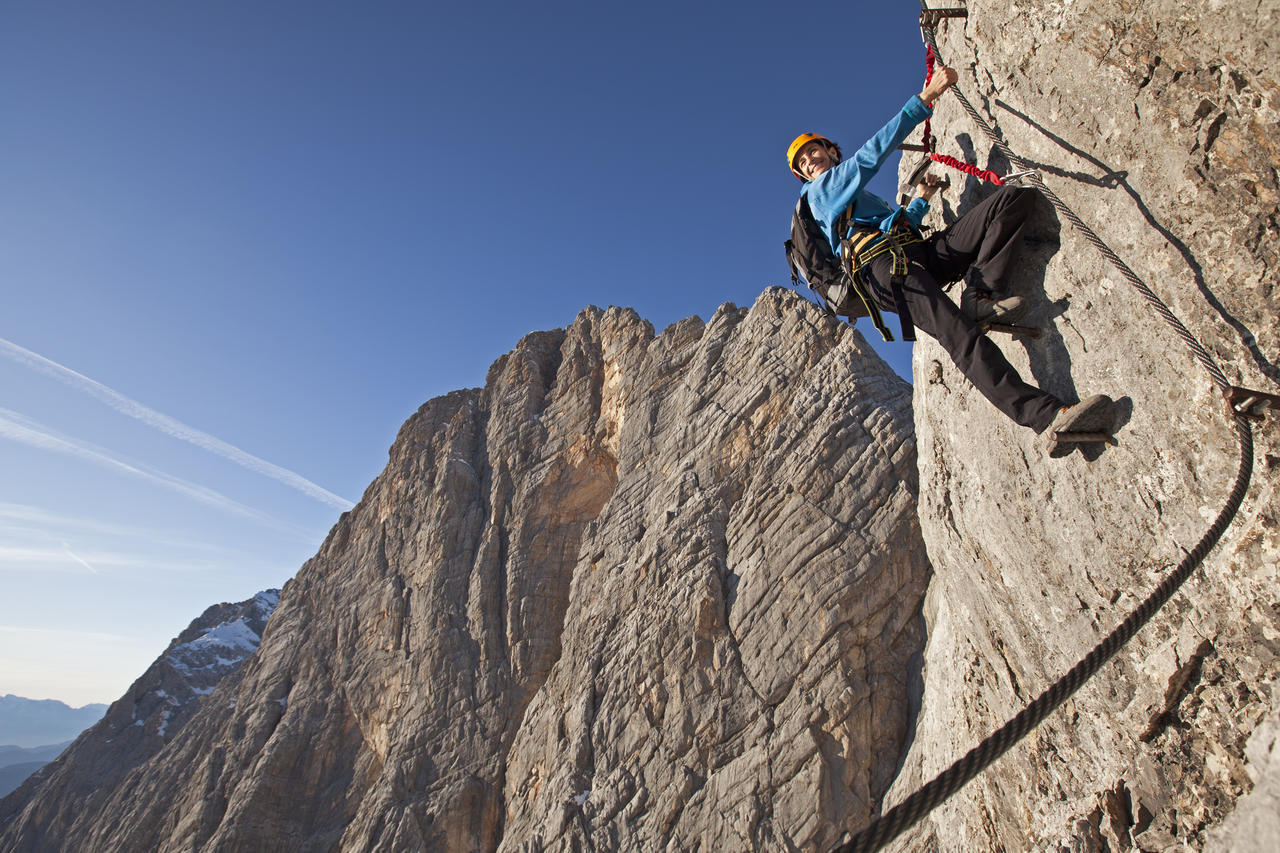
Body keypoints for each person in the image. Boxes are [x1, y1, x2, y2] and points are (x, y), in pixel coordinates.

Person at [786, 65, 1115, 448]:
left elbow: (893, 227)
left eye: (814, 151)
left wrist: (921, 201)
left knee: (1010, 201)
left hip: (913, 254)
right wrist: (924, 100)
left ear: (828, 149)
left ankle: (980, 296)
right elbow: (866, 160)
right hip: (885, 273)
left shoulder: (853, 200)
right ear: (805, 177)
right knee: (961, 336)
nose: (811, 160)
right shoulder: (820, 193)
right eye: (803, 163)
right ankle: (1046, 416)